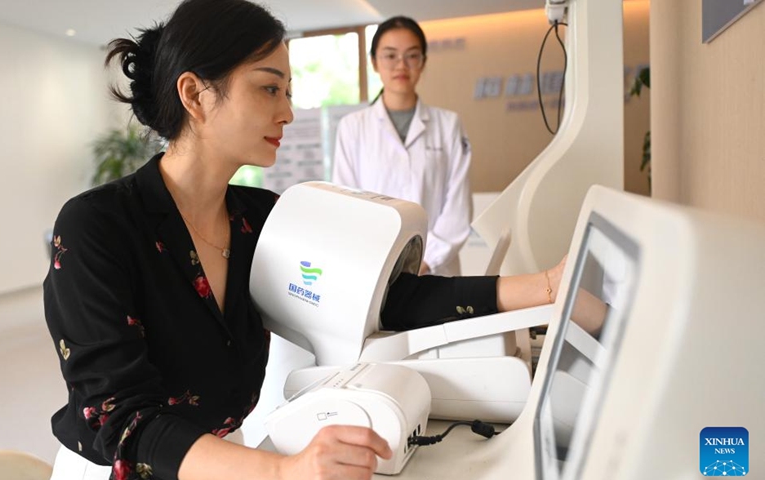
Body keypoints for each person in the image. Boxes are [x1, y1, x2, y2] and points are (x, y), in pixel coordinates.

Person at [43, 1, 566, 479]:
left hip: (229, 454)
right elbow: (123, 419)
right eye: (270, 88)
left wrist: (546, 288)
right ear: (195, 94)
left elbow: (389, 298)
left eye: (288, 92)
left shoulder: (263, 220)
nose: (288, 111)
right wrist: (281, 472)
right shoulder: (99, 227)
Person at [333, 16, 471, 277]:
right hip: (375, 268)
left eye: (411, 56)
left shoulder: (449, 124)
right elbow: (347, 204)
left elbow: (458, 208)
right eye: (390, 56)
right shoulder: (353, 127)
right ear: (374, 62)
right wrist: (384, 266)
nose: (401, 66)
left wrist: (424, 261)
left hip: (436, 270)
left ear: (423, 62)